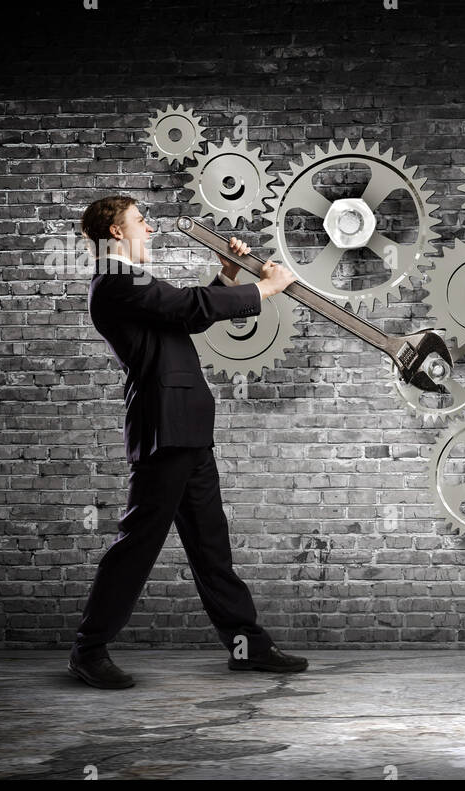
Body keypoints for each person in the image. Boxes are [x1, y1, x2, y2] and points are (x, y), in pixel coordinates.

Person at [68, 195, 305, 689]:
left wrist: (227, 276)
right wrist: (265, 289)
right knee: (138, 544)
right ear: (116, 232)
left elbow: (187, 318)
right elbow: (184, 306)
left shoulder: (131, 281)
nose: (150, 229)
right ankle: (88, 651)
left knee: (210, 546)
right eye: (141, 221)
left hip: (186, 428)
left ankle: (247, 646)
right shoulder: (115, 279)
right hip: (165, 429)